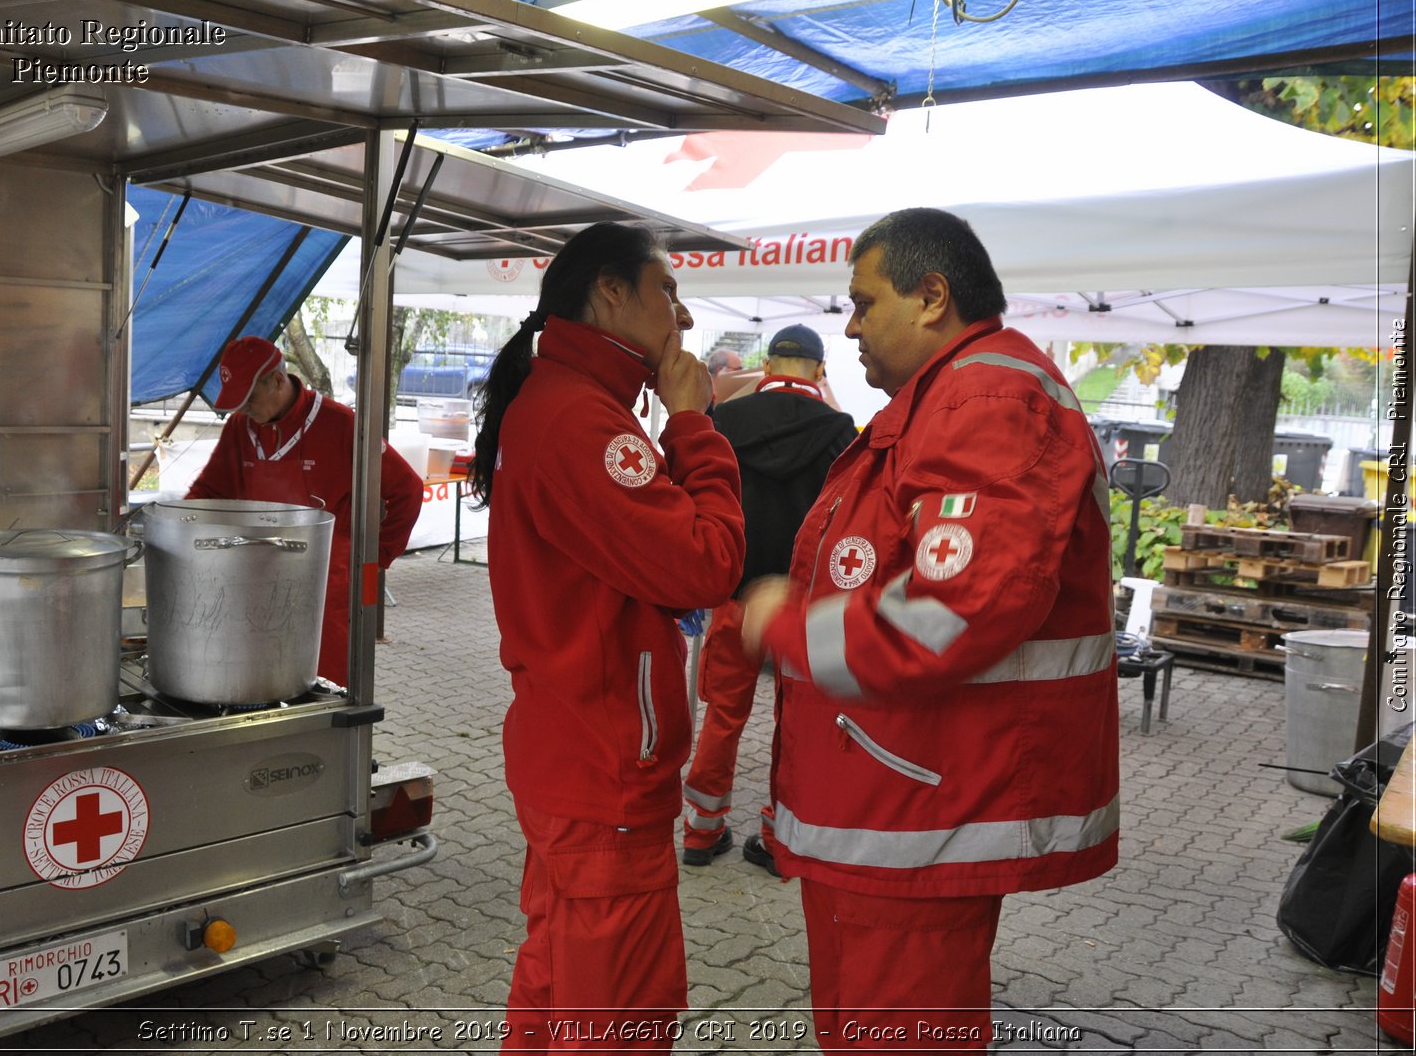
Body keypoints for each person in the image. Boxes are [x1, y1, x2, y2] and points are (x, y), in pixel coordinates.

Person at [740, 208, 1120, 1051]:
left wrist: (784, 628)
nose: (851, 326)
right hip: (893, 799)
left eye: (864, 302)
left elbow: (956, 609)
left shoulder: (988, 397)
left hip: (919, 803)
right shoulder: (951, 396)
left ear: (932, 297)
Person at [469, 222, 745, 1051]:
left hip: (576, 758)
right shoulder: (583, 420)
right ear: (611, 292)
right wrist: (694, 424)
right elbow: (707, 563)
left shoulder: (574, 406)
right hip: (603, 767)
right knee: (618, 1012)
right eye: (667, 290)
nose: (684, 316)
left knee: (557, 984)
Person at [680, 324, 856, 873]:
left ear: (770, 364)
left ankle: (700, 833)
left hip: (732, 595)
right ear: (819, 370)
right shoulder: (840, 431)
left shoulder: (724, 420)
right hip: (802, 608)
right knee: (797, 720)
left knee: (722, 716)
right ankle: (781, 840)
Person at [186, 335, 424, 687]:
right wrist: (179, 527)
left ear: (278, 381)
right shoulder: (241, 427)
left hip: (329, 591)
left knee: (326, 692)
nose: (242, 410)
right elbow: (209, 491)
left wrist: (376, 559)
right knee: (258, 687)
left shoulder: (342, 426)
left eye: (248, 398)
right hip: (254, 584)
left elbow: (407, 489)